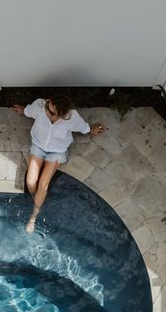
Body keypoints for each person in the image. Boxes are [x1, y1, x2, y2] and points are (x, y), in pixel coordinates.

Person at [13, 95, 105, 232]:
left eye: (50, 112)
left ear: (61, 115)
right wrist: (23, 110)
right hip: (38, 147)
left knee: (43, 184)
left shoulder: (71, 117)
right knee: (31, 182)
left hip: (56, 152)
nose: (46, 110)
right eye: (48, 105)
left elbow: (83, 128)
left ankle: (34, 215)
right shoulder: (40, 106)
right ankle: (37, 199)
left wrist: (92, 130)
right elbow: (29, 111)